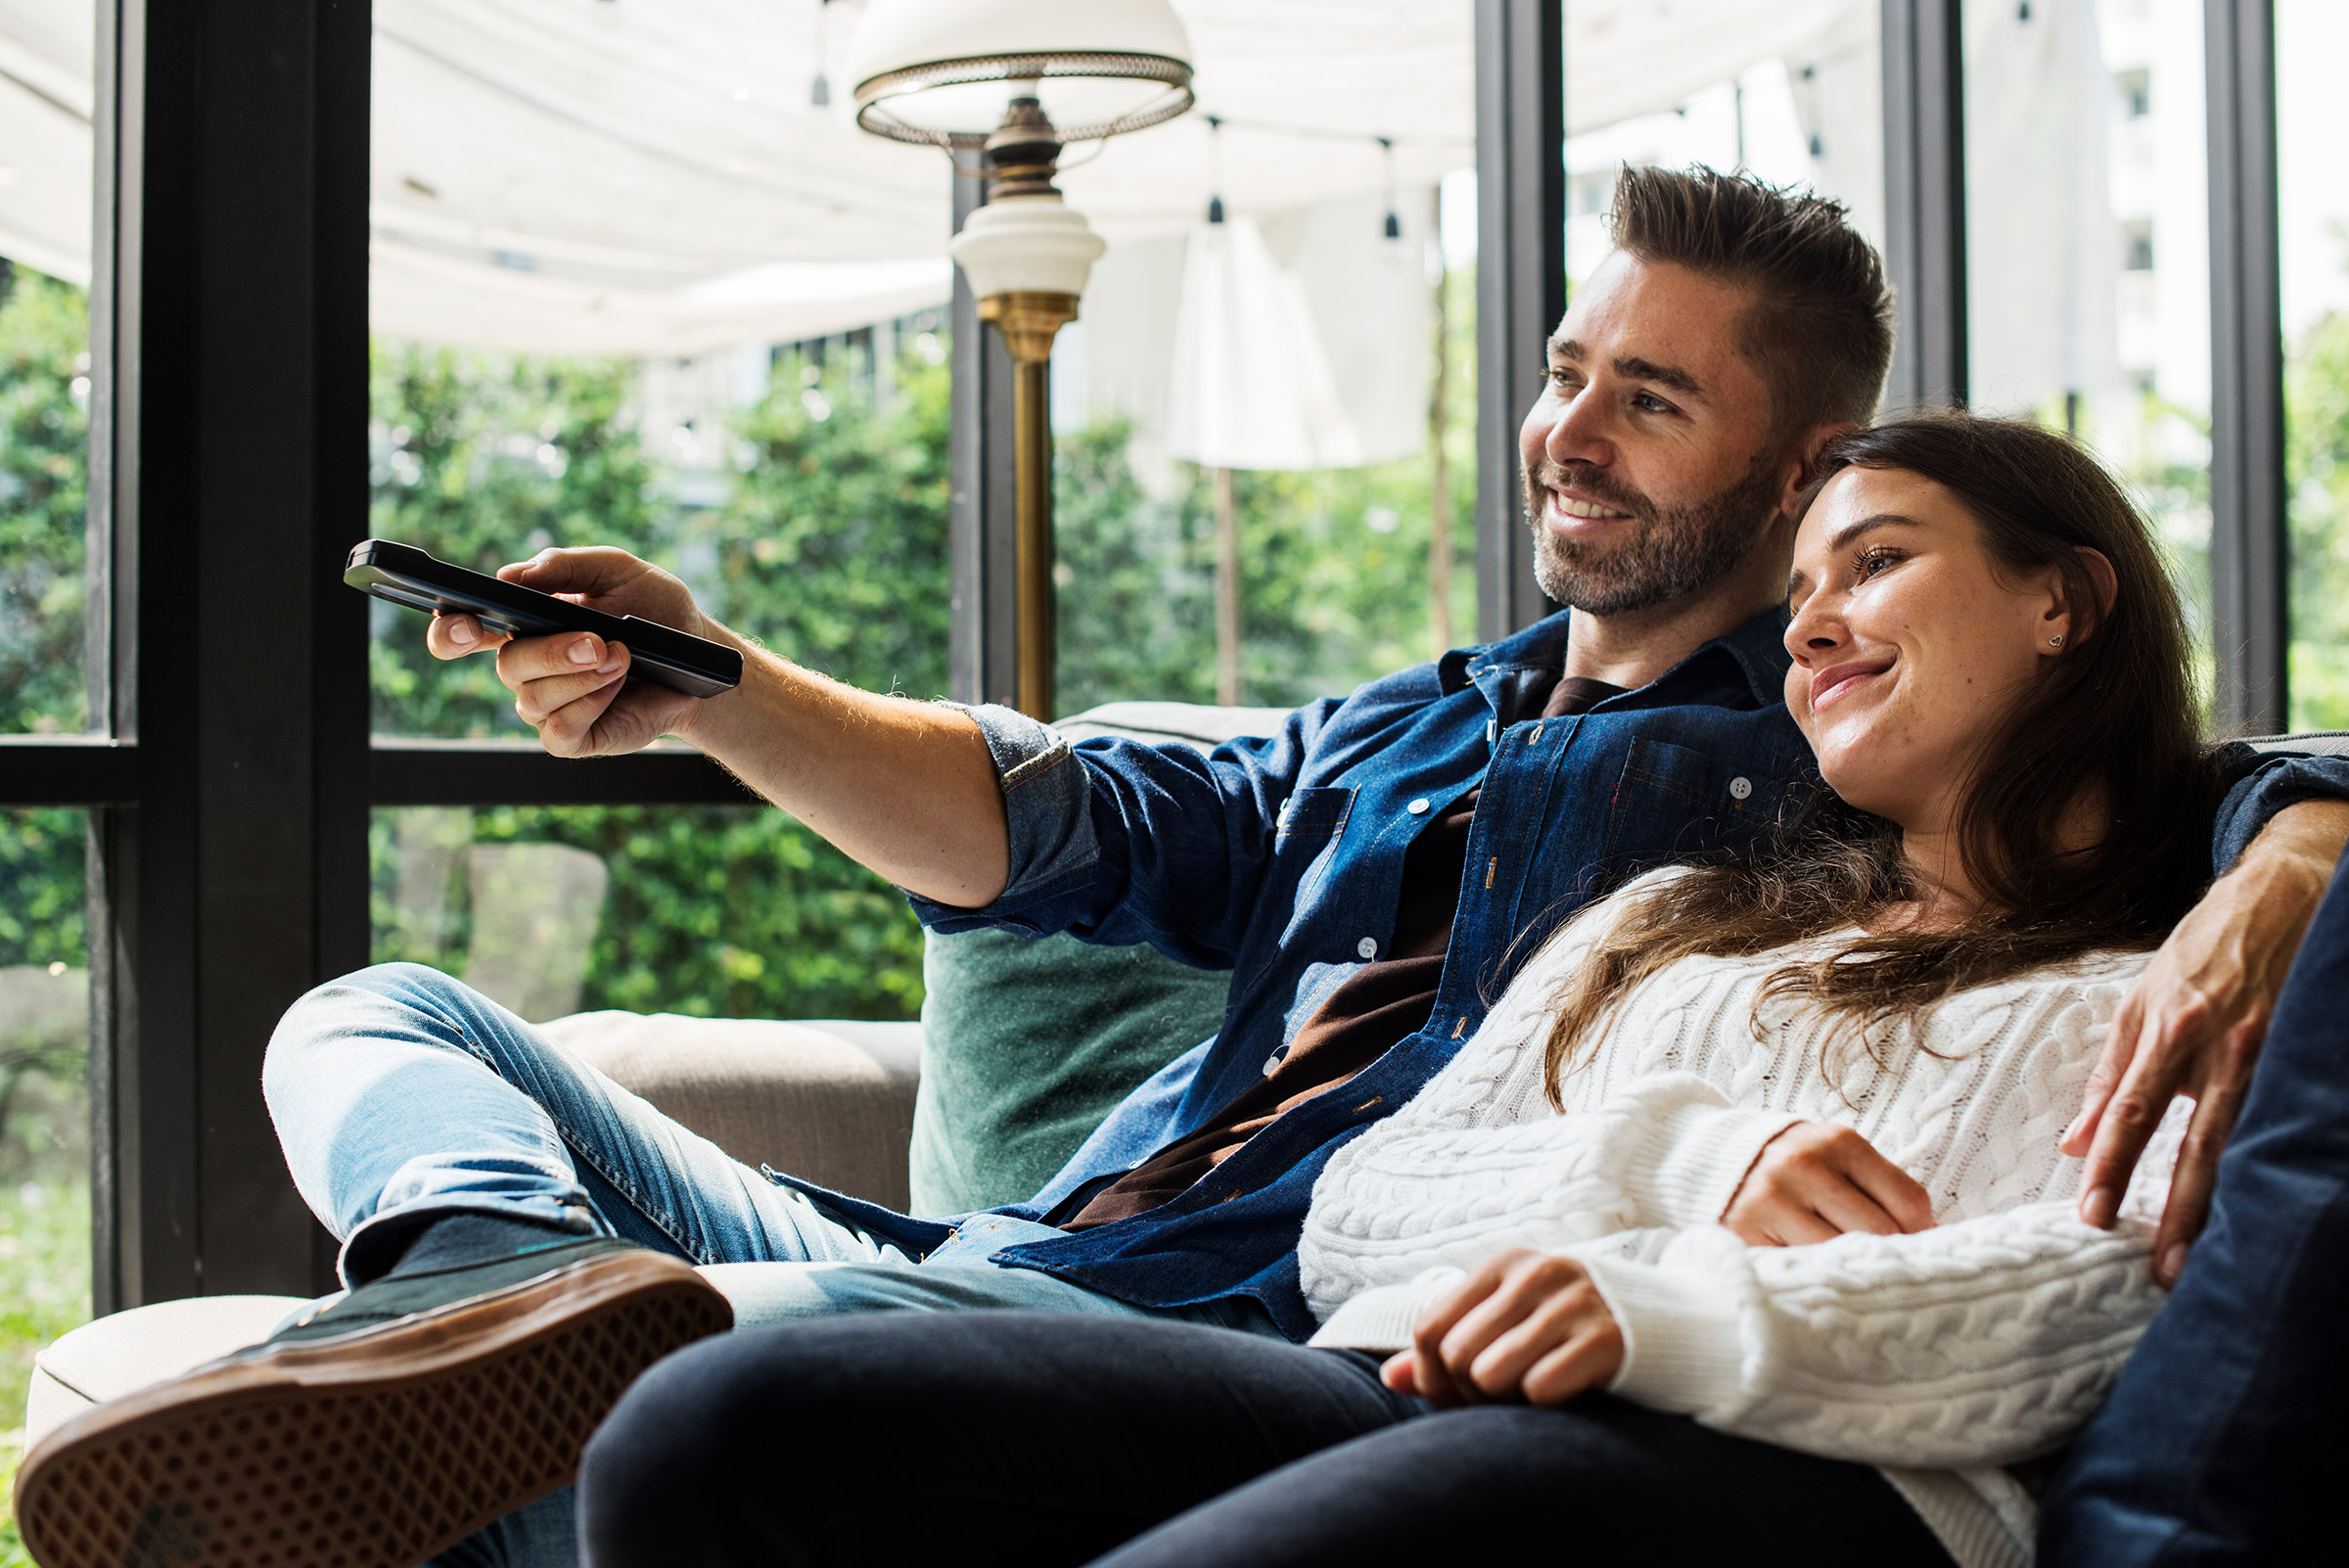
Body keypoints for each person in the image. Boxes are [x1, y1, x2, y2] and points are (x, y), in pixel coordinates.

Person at [14, 170, 2345, 1568]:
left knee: (717, 1399)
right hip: (990, 1256)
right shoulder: (1420, 718)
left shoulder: (1813, 769)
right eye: (1565, 368)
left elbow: (2151, 773)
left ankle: (461, 1400)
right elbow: (1069, 827)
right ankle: (468, 1297)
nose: (1571, 431)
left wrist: (2296, 841)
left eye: (1656, 397)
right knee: (373, 1016)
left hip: (1185, 1338)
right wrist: (703, 675)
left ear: (1811, 459)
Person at [573, 413, 2339, 1568]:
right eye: (1796, 593)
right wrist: (1675, 1158)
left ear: (2065, 600)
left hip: (1796, 1474)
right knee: (712, 1429)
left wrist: (1668, 1317)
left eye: (1873, 562)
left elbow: (2094, 1303)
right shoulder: (1675, 920)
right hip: (1410, 1370)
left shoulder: (2177, 970)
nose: (1807, 627)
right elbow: (1361, 1207)